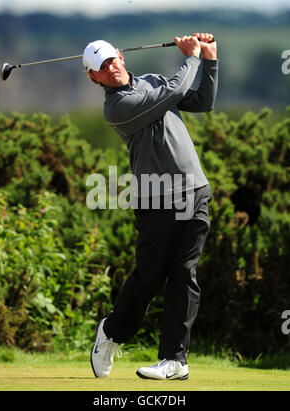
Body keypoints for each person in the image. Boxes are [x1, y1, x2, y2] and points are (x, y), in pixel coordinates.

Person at [83, 34, 218, 380]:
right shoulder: (116, 108)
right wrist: (192, 57)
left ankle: (175, 360)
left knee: (184, 273)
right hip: (155, 198)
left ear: (121, 58)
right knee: (149, 277)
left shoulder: (154, 81)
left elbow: (202, 101)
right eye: (102, 68)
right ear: (93, 77)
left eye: (112, 60)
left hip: (194, 190)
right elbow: (174, 92)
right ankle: (111, 332)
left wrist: (211, 59)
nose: (110, 68)